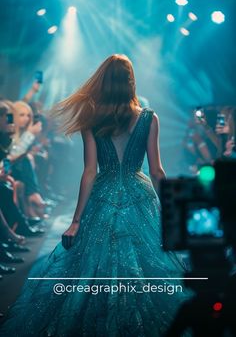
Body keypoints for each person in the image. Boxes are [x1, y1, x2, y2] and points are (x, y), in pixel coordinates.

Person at [0, 54, 190, 336]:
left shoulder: (92, 119)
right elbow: (157, 171)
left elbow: (89, 171)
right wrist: (173, 213)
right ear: (130, 81)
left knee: (93, 264)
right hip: (141, 195)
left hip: (103, 194)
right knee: (141, 266)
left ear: (103, 80)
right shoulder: (150, 119)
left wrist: (76, 221)